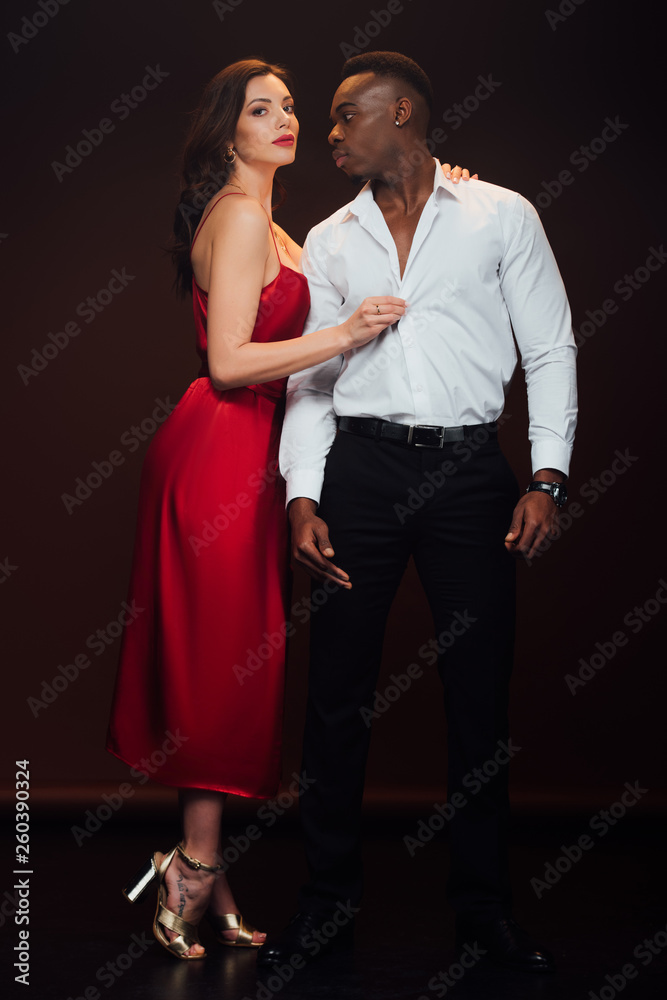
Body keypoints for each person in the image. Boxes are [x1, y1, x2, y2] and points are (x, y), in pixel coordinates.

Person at [106, 57, 466, 961]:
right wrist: (345, 332)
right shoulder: (237, 217)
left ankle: (203, 866)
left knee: (226, 661)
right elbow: (229, 362)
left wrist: (446, 187)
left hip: (251, 454)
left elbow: (353, 255)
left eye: (290, 106)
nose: (285, 119)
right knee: (216, 662)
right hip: (220, 450)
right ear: (226, 130)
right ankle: (192, 865)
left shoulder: (276, 227)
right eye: (260, 109)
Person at [258, 52, 577, 975]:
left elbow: (550, 348)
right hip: (359, 472)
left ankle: (482, 914)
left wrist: (546, 478)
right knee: (335, 697)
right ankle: (326, 907)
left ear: (401, 113)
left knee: (477, 697)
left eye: (343, 115)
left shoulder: (500, 214)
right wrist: (303, 493)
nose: (327, 134)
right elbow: (312, 380)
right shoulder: (328, 238)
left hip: (470, 474)